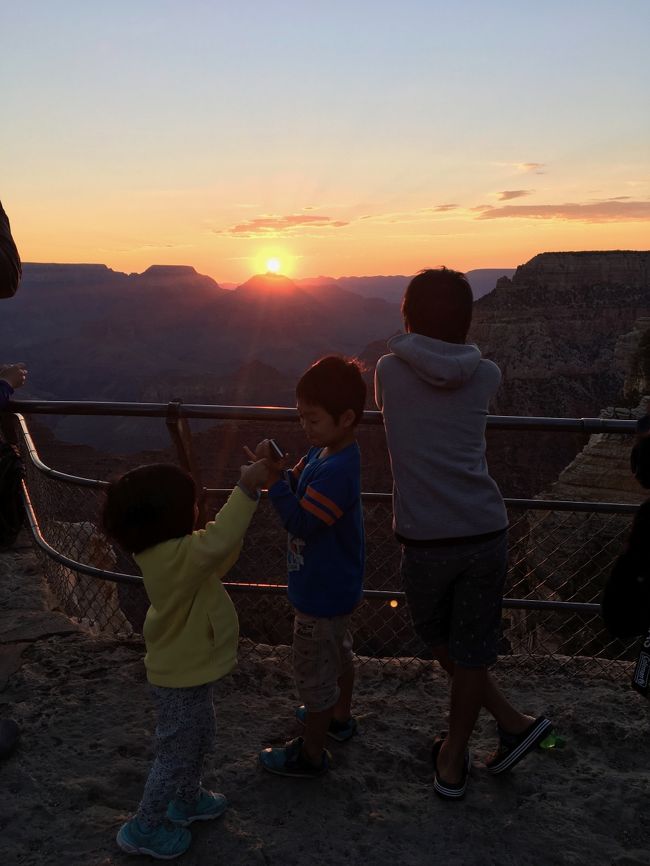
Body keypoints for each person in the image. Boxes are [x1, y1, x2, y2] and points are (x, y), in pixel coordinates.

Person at [375, 267, 552, 800]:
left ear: (407, 315)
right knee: (471, 649)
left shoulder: (387, 369)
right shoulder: (488, 374)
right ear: (468, 318)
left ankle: (453, 757)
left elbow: (398, 384)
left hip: (427, 536)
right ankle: (513, 723)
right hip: (486, 529)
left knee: (440, 639)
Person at [102, 457, 271, 859]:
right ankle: (144, 827)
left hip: (186, 675)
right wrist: (247, 487)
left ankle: (188, 799)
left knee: (197, 738)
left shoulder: (171, 553)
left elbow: (218, 552)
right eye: (192, 503)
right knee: (175, 752)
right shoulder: (170, 558)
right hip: (178, 678)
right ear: (172, 517)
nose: (198, 508)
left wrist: (230, 533)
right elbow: (217, 540)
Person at [253, 356, 366, 778]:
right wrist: (281, 470)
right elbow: (299, 485)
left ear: (347, 418)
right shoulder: (324, 451)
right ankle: (338, 717)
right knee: (338, 657)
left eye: (313, 419)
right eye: (301, 417)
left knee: (315, 672)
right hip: (333, 587)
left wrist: (272, 486)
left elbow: (302, 521)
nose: (305, 427)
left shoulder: (339, 469)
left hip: (321, 594)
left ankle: (312, 754)